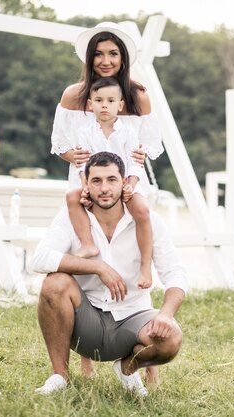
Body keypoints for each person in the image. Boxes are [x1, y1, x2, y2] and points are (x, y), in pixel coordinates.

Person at [50, 21, 164, 380]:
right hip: (87, 181)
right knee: (89, 257)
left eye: (113, 53)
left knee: (128, 254)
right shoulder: (75, 95)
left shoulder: (137, 96)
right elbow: (60, 144)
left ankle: (141, 354)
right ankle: (85, 355)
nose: (105, 60)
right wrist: (76, 159)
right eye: (98, 53)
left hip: (127, 181)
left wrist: (137, 166)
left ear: (124, 56)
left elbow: (151, 145)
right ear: (89, 56)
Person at [32, 152, 187, 397]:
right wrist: (98, 267)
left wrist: (166, 315)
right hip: (86, 320)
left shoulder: (149, 221)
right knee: (54, 283)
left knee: (172, 338)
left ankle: (127, 368)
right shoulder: (70, 217)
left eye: (112, 180)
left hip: (133, 318)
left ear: (124, 182)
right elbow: (39, 259)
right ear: (87, 184)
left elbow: (175, 273)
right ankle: (60, 375)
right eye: (97, 181)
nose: (104, 188)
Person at [67, 76, 154, 290]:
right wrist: (86, 185)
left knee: (142, 210)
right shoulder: (84, 132)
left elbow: (135, 164)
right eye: (99, 100)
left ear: (120, 105)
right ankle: (87, 244)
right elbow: (82, 163)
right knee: (72, 197)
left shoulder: (129, 133)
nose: (104, 105)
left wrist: (130, 186)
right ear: (90, 104)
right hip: (96, 185)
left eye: (110, 101)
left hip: (125, 184)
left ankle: (145, 266)